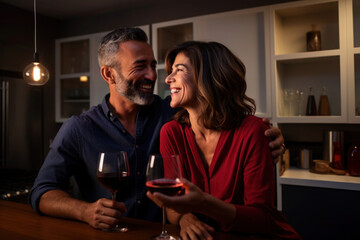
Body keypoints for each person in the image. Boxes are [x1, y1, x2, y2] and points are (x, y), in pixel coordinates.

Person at [29, 27, 285, 230]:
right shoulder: (78, 129)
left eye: (153, 65)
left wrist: (273, 139)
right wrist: (84, 211)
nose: (153, 75)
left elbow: (221, 113)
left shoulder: (175, 114)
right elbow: (42, 192)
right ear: (109, 75)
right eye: (140, 66)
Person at [147, 41, 301, 239]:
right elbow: (173, 202)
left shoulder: (253, 131)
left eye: (179, 70)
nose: (168, 79)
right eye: (171, 71)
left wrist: (203, 203)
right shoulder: (171, 133)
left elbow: (263, 220)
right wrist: (185, 218)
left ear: (209, 78)